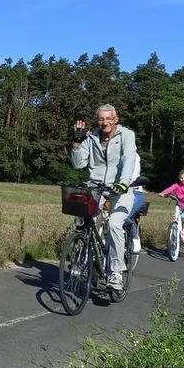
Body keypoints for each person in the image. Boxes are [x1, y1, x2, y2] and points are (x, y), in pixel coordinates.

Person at [71, 104, 141, 291]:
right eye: (101, 119)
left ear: (115, 119)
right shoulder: (91, 137)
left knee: (114, 224)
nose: (105, 122)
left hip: (121, 188)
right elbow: (78, 165)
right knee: (83, 220)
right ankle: (84, 260)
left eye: (108, 118)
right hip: (96, 186)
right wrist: (77, 144)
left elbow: (129, 159)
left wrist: (124, 182)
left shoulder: (126, 135)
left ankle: (116, 274)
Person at [159, 170, 184, 237]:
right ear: (179, 178)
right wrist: (163, 193)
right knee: (175, 219)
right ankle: (174, 235)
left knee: (183, 216)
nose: (183, 179)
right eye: (181, 178)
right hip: (179, 206)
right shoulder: (177, 185)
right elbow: (170, 189)